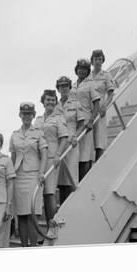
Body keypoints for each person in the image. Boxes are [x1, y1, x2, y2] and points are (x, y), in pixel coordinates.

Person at [9, 102, 48, 247]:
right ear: (20, 115)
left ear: (33, 115)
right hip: (18, 176)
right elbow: (13, 157)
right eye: (24, 114)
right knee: (22, 215)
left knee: (33, 215)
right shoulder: (14, 135)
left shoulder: (38, 132)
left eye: (29, 114)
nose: (27, 116)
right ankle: (24, 247)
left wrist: (41, 172)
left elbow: (44, 154)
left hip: (33, 176)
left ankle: (33, 247)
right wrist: (11, 176)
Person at [34, 90, 69, 226]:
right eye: (48, 100)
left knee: (49, 193)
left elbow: (64, 138)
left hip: (51, 159)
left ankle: (52, 226)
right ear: (43, 102)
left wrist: (58, 155)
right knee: (40, 194)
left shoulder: (59, 118)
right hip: (37, 159)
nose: (50, 102)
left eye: (53, 100)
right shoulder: (38, 120)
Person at [55, 76, 86, 204]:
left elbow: (82, 124)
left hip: (71, 143)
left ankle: (73, 204)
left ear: (69, 87)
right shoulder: (55, 106)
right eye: (61, 86)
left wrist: (76, 137)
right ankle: (62, 205)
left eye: (66, 85)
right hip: (58, 144)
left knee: (71, 175)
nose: (64, 88)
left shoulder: (76, 104)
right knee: (61, 177)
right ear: (58, 88)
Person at [71, 59, 100, 181]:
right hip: (74, 122)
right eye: (79, 69)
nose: (81, 71)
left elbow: (97, 103)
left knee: (85, 152)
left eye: (84, 69)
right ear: (76, 70)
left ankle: (85, 180)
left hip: (86, 121)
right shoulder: (72, 86)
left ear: (88, 71)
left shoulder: (90, 84)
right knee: (75, 152)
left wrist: (91, 120)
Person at [87, 49, 116, 161]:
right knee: (89, 140)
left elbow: (110, 94)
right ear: (92, 61)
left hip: (99, 111)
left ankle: (99, 162)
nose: (98, 61)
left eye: (100, 59)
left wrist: (105, 106)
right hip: (88, 111)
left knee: (99, 140)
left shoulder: (106, 75)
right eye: (96, 59)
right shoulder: (88, 76)